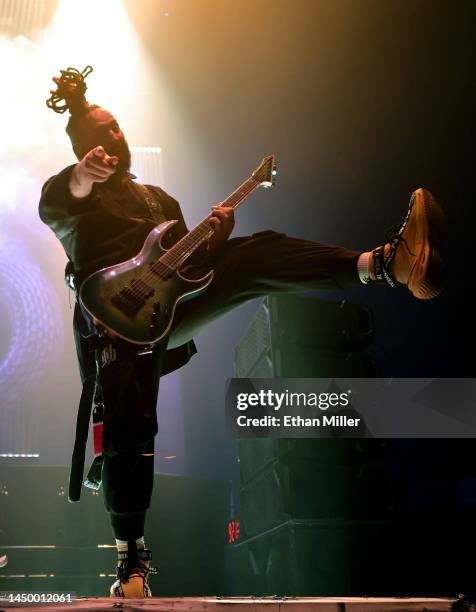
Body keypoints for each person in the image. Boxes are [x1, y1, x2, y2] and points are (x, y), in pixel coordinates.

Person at [39, 67, 446, 599]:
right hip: (113, 326)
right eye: (95, 138)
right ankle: (131, 562)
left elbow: (192, 268)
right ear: (80, 150)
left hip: (169, 312)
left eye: (113, 129)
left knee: (256, 252)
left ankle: (387, 263)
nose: (109, 141)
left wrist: (216, 236)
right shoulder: (71, 193)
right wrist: (82, 177)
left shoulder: (159, 200)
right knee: (130, 424)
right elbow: (59, 204)